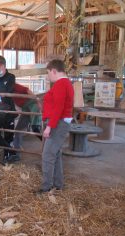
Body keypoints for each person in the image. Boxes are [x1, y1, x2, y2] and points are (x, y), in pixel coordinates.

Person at [37, 59, 74, 194]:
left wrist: (49, 127)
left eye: (48, 73)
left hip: (58, 123)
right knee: (55, 154)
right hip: (61, 122)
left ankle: (46, 187)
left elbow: (58, 108)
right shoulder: (65, 83)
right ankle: (58, 185)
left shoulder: (60, 84)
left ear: (54, 71)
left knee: (47, 155)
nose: (48, 77)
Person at [11, 83, 42, 160]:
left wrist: (37, 101)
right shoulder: (5, 89)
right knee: (18, 130)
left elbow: (27, 90)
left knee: (35, 128)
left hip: (32, 105)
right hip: (25, 108)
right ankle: (16, 153)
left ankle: (49, 145)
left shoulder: (14, 85)